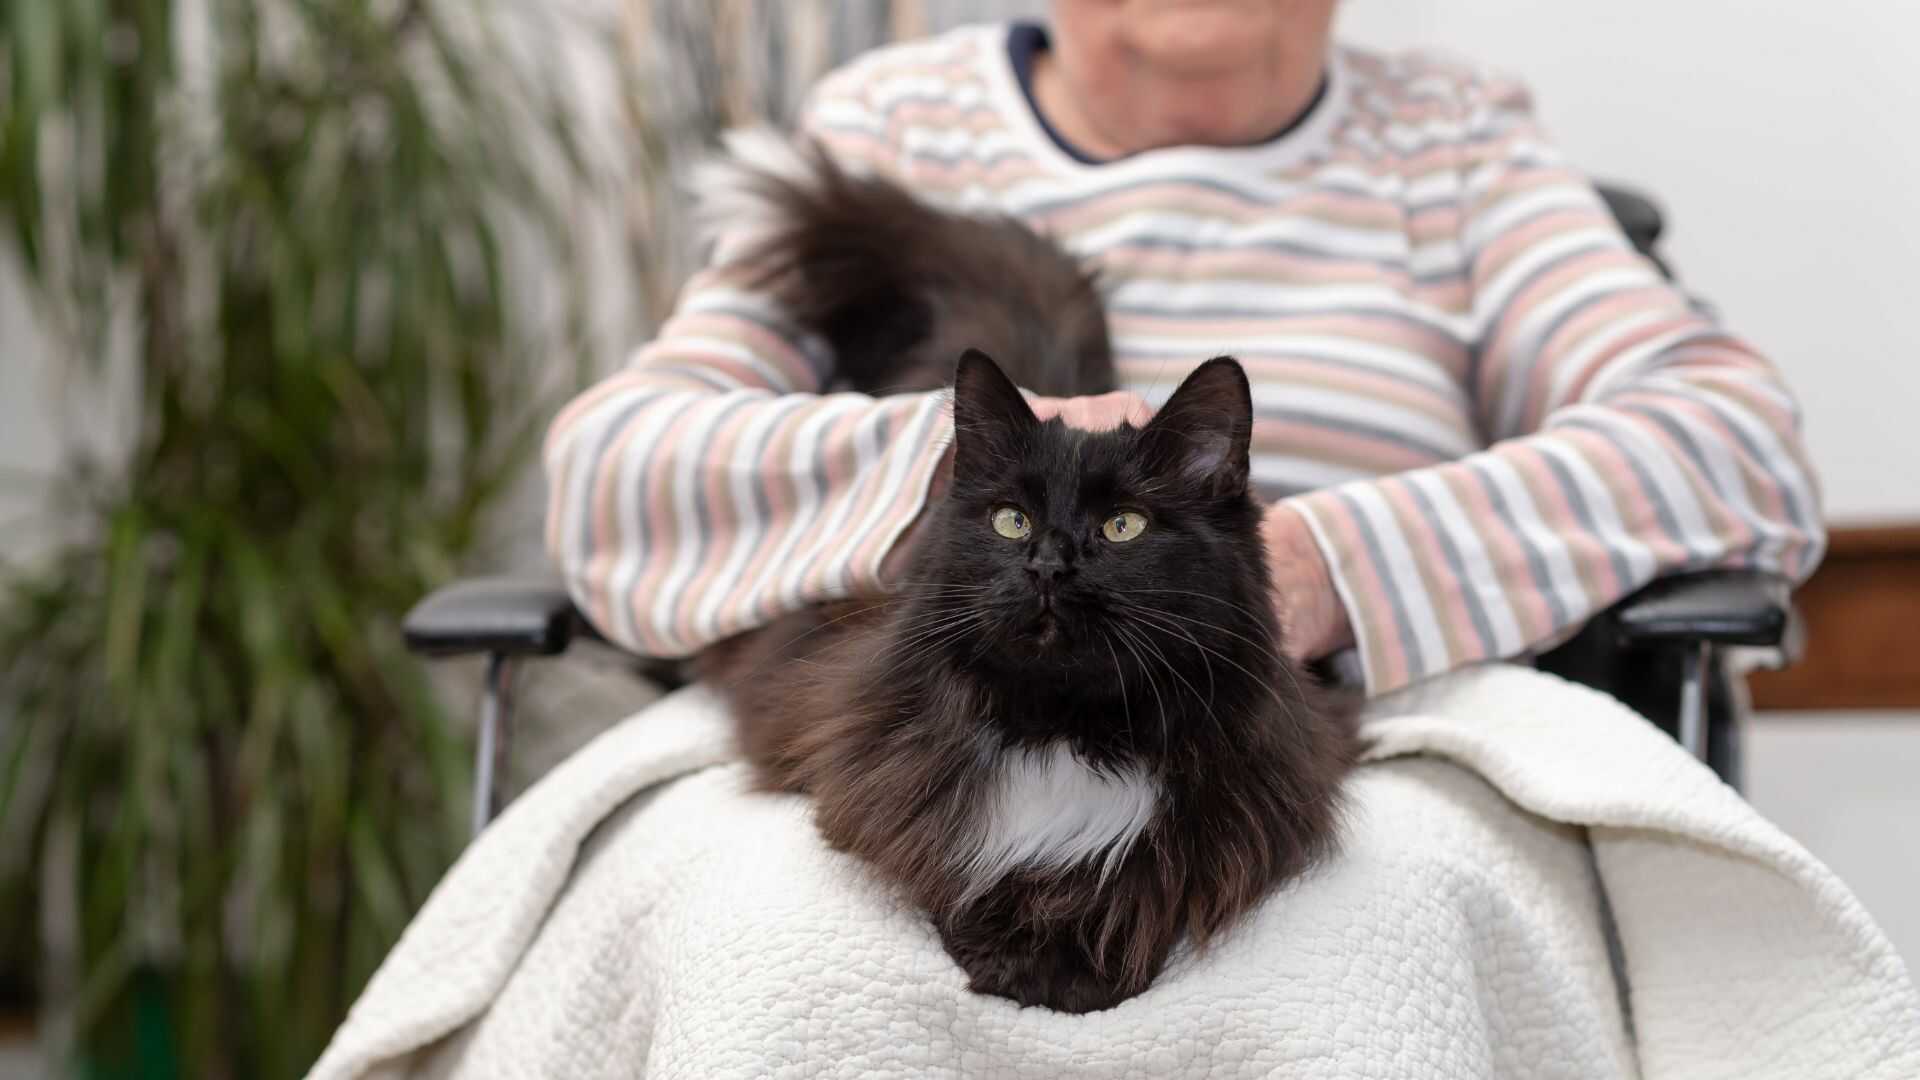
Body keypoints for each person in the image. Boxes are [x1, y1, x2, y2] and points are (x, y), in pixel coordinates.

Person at [543, 0, 1823, 697]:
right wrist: (954, 487)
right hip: (932, 718)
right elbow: (613, 471)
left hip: (1345, 749)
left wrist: (1328, 567)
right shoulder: (890, 130)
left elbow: (1728, 439)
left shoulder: (1454, 142)